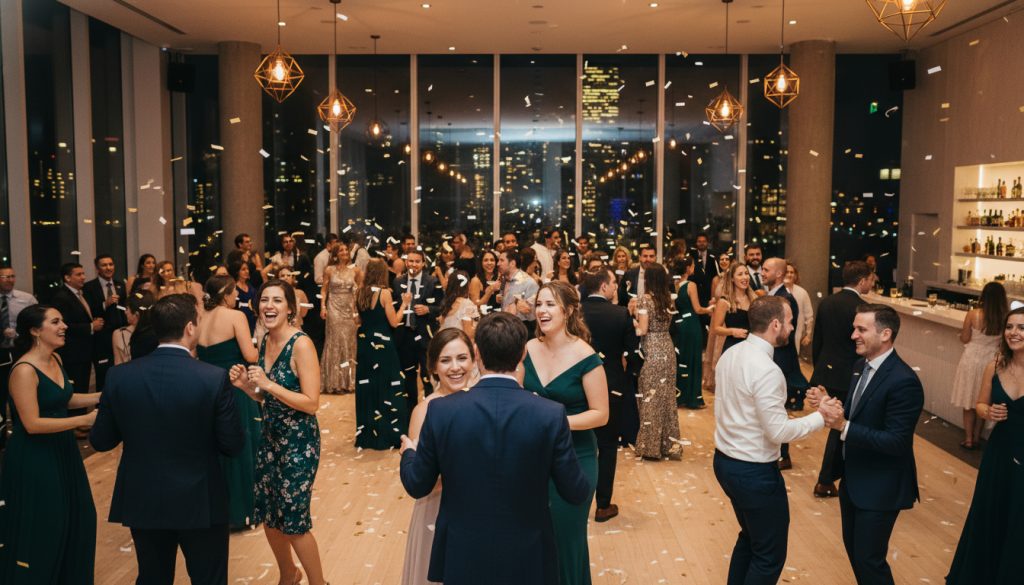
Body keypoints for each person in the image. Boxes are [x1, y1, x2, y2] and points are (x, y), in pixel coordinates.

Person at [399, 312, 590, 585]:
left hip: (463, 552)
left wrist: (409, 453)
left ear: (477, 354)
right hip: (529, 553)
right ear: (522, 354)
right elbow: (576, 491)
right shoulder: (549, 414)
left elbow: (417, 484)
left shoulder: (442, 411)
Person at [90, 294, 244, 583]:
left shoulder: (119, 377)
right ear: (189, 328)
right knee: (208, 578)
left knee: (153, 577)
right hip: (200, 498)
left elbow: (101, 441)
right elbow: (232, 445)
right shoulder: (212, 378)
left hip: (144, 496)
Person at [713, 296, 828, 585]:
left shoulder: (731, 354)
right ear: (775, 324)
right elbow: (778, 432)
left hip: (725, 463)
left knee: (750, 539)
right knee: (769, 556)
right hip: (754, 473)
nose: (792, 327)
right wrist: (821, 417)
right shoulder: (767, 370)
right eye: (789, 321)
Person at [813, 304, 924, 585]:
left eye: (861, 329)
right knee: (856, 553)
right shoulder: (860, 365)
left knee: (869, 560)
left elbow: (897, 441)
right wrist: (830, 404)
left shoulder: (904, 381)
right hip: (854, 478)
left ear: (885, 334)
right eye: (854, 328)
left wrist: (843, 426)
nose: (853, 335)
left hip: (881, 485)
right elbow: (857, 413)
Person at [229, 280, 327, 585]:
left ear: (290, 309)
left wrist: (269, 384)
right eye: (264, 300)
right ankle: (288, 573)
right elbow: (267, 398)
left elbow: (311, 403)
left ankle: (319, 582)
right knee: (269, 517)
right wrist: (247, 386)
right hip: (269, 439)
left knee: (294, 522)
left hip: (299, 443)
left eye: (277, 300)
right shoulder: (265, 341)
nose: (269, 306)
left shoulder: (301, 344)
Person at [0, 305, 99, 582]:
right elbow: (32, 423)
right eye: (55, 321)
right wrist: (84, 421)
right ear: (35, 330)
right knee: (48, 523)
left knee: (79, 516)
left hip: (62, 450)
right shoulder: (23, 370)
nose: (64, 326)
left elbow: (61, 399)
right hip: (35, 457)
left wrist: (102, 395)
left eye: (63, 320)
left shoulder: (55, 359)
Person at [522, 281, 609, 585]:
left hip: (575, 459)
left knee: (567, 540)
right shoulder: (527, 349)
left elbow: (601, 414)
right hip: (532, 459)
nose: (542, 311)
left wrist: (556, 421)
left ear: (569, 311)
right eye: (539, 304)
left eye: (550, 305)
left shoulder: (586, 356)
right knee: (535, 539)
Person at [945, 307, 1024, 584]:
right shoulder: (996, 364)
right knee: (992, 511)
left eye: (1022, 328)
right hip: (1000, 451)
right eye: (1010, 327)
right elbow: (979, 403)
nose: (1014, 333)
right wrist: (987, 413)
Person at [401, 329, 475, 585]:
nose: (455, 368)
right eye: (445, 360)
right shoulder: (424, 411)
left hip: (479, 509)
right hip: (437, 509)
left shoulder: (483, 403)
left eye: (462, 358)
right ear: (433, 366)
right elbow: (424, 481)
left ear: (474, 360)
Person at [196, 275, 261, 531]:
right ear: (225, 294)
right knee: (243, 444)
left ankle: (217, 509)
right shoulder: (236, 317)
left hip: (207, 389)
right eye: (234, 293)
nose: (237, 297)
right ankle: (244, 509)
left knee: (215, 447)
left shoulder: (199, 319)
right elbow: (250, 355)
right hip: (235, 386)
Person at [579, 268, 640, 522]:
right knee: (606, 446)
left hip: (577, 385)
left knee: (578, 445)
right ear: (604, 287)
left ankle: (576, 500)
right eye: (614, 283)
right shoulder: (620, 314)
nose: (616, 287)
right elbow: (633, 354)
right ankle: (603, 505)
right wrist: (629, 378)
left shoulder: (574, 312)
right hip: (610, 385)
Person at [809, 260, 872, 498]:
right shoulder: (863, 309)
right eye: (870, 279)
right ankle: (826, 480)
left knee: (839, 426)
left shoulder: (826, 301)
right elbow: (864, 347)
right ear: (862, 280)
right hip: (851, 375)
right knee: (841, 426)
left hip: (827, 372)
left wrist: (819, 371)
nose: (872, 282)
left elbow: (819, 340)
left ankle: (833, 477)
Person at [356, 259, 412, 449]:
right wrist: (404, 304)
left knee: (368, 387)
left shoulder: (360, 292)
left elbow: (358, 319)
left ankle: (368, 435)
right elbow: (394, 322)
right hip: (382, 343)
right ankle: (389, 434)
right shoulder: (385, 293)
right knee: (389, 385)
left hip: (364, 343)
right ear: (382, 273)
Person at [631, 263, 683, 461]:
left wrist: (631, 322)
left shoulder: (645, 300)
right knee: (667, 397)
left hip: (651, 349)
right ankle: (668, 445)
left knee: (650, 396)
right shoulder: (669, 300)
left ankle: (650, 447)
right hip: (667, 348)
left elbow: (642, 330)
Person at [950, 281, 1008, 450]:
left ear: (983, 296)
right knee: (983, 400)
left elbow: (965, 338)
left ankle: (968, 439)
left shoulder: (973, 314)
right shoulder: (1005, 318)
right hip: (991, 361)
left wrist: (960, 335)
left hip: (971, 360)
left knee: (968, 400)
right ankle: (977, 437)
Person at [760, 257, 805, 470]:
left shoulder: (786, 299)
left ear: (778, 274)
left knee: (778, 406)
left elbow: (784, 335)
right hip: (771, 357)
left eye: (766, 270)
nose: (762, 272)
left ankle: (783, 455)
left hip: (780, 359)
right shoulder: (771, 295)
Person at [393, 249, 442, 408]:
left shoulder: (432, 281)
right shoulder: (398, 282)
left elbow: (442, 305)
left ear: (423, 263)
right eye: (411, 261)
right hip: (404, 335)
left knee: (428, 373)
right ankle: (411, 411)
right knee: (408, 375)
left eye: (417, 261)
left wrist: (429, 309)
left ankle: (430, 408)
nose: (413, 264)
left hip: (425, 335)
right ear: (406, 262)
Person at [50, 263, 104, 397]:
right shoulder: (62, 297)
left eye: (83, 274)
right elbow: (64, 325)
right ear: (67, 278)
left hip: (84, 351)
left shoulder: (81, 294)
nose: (83, 277)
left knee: (83, 388)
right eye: (78, 274)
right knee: (76, 391)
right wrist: (91, 327)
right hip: (72, 354)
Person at [0, 266, 37, 451]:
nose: (10, 279)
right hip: (0, 354)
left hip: (19, 352)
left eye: (12, 276)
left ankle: (22, 433)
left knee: (19, 395)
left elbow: (37, 321)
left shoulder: (26, 299)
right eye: (5, 277)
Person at [320, 241, 361, 394]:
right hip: (334, 309)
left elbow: (360, 293)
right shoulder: (329, 270)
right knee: (335, 343)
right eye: (341, 250)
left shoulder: (355, 271)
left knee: (349, 343)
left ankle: (348, 382)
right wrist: (322, 307)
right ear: (336, 254)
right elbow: (324, 290)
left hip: (349, 310)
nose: (344, 252)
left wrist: (357, 312)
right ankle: (334, 383)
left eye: (346, 250)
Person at [673, 257, 714, 408]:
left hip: (680, 324)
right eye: (693, 265)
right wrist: (710, 309)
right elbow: (697, 309)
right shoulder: (691, 285)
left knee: (682, 359)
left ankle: (680, 396)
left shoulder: (675, 285)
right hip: (692, 325)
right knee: (694, 360)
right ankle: (693, 399)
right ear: (688, 268)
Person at [84, 254, 128, 391]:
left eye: (111, 264)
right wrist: (105, 304)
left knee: (122, 371)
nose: (108, 268)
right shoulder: (89, 287)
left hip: (120, 334)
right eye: (104, 265)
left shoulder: (120, 285)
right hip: (102, 337)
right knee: (104, 374)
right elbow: (88, 311)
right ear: (97, 269)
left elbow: (123, 307)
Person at [712, 262, 756, 355]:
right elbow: (716, 328)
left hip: (752, 347)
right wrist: (732, 331)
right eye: (740, 274)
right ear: (732, 278)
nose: (745, 277)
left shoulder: (754, 299)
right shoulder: (724, 301)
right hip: (733, 348)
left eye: (746, 273)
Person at [498, 249, 539, 336]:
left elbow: (534, 315)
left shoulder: (529, 283)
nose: (498, 264)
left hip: (522, 331)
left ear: (512, 263)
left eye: (501, 260)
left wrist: (524, 309)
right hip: (505, 329)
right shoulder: (504, 279)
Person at [112, 290, 155, 365]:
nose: (125, 312)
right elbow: (117, 365)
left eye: (127, 308)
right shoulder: (119, 334)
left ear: (136, 314)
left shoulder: (155, 334)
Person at [438, 270, 479, 338]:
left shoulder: (448, 302)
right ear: (468, 284)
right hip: (459, 344)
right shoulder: (467, 304)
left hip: (445, 342)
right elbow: (468, 334)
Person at [229, 259, 258, 334]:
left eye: (247, 269)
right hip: (239, 320)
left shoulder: (250, 285)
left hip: (253, 319)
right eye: (243, 269)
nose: (247, 271)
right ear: (237, 271)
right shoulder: (233, 288)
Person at [468, 249, 501, 315]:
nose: (489, 263)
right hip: (483, 317)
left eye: (492, 260)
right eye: (486, 260)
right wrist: (490, 290)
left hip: (500, 315)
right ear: (481, 263)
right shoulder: (476, 280)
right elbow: (475, 306)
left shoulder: (501, 277)